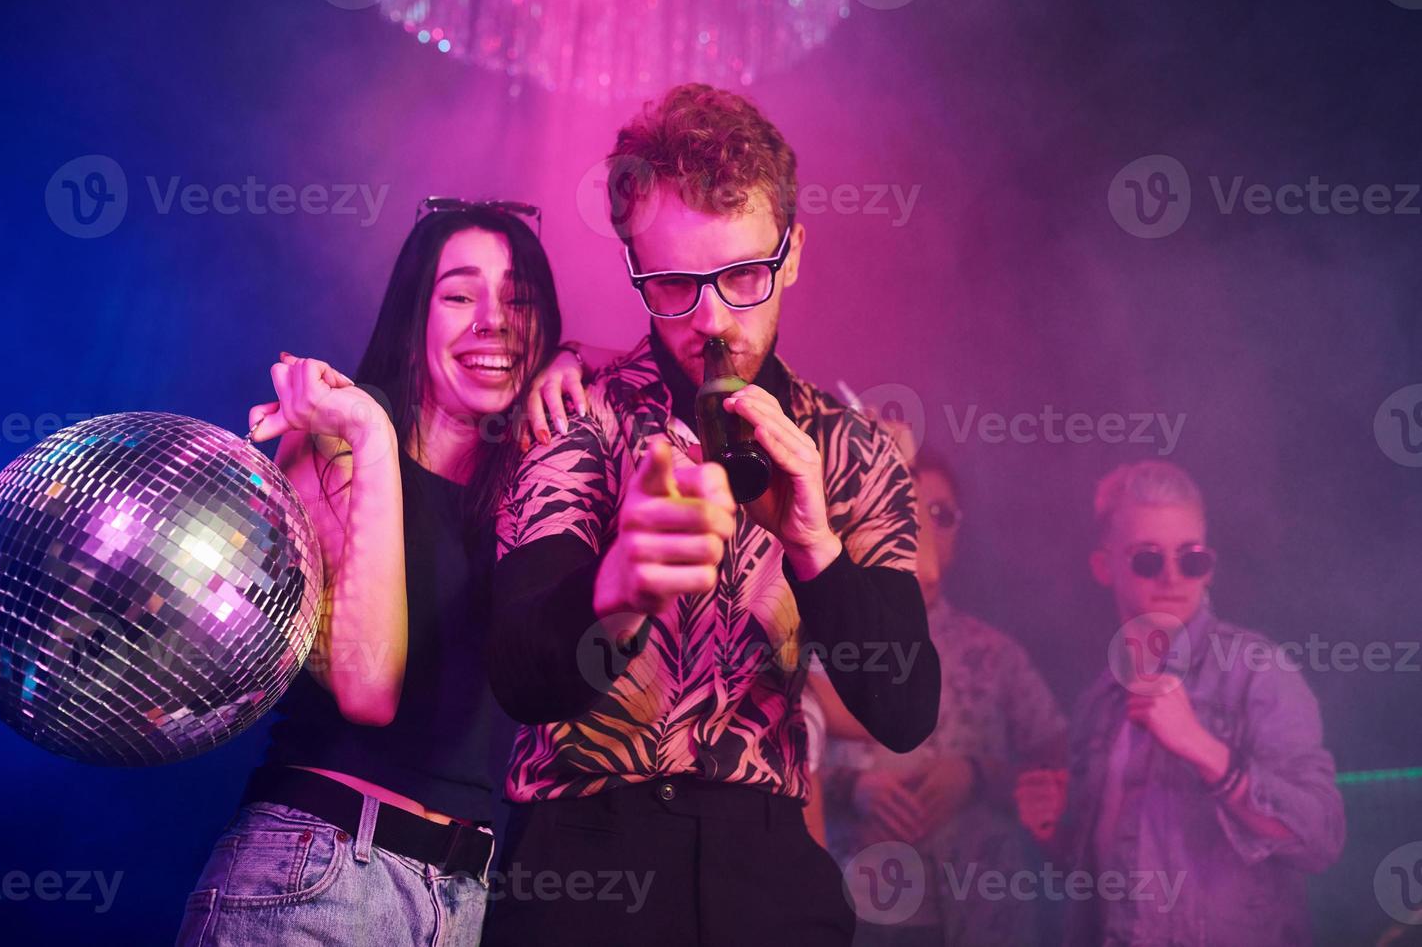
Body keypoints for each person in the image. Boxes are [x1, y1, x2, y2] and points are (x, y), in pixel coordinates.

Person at [480, 83, 941, 947]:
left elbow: (906, 709)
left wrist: (813, 546)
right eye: (672, 285)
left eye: (741, 274)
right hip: (580, 872)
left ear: (793, 252)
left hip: (767, 873)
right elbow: (516, 675)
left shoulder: (853, 452)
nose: (712, 318)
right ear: (632, 266)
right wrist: (615, 587)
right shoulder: (576, 412)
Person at [177, 200, 574, 947]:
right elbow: (369, 687)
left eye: (519, 300)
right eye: (459, 295)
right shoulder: (329, 442)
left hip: (465, 903)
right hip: (318, 873)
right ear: (413, 313)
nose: (494, 320)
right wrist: (371, 430)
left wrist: (577, 360)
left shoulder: (538, 484)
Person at [1033, 460, 1345, 947]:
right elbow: (1102, 876)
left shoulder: (1258, 673)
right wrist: (1053, 829)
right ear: (1103, 566)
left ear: (1209, 568)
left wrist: (1204, 749)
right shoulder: (1098, 703)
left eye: (1191, 558)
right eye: (1148, 558)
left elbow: (1321, 838)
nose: (1173, 576)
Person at [814, 449, 1068, 947]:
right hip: (851, 911)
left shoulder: (995, 655)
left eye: (941, 515)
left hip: (978, 915)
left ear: (958, 533)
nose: (923, 531)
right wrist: (852, 788)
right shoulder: (823, 642)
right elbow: (765, 768)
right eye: (908, 512)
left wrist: (975, 775)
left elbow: (1060, 768)